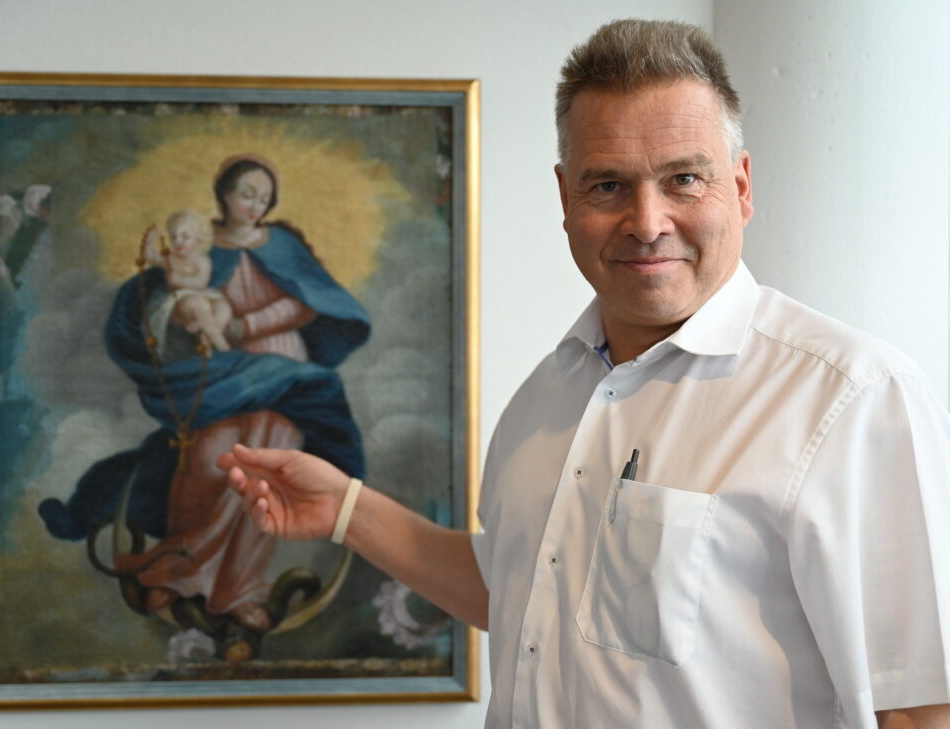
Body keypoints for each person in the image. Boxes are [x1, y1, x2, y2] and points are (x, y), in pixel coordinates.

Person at [219, 19, 950, 728]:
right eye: (608, 187)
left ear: (742, 186)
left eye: (684, 179)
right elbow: (519, 588)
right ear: (566, 199)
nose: (647, 220)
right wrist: (347, 508)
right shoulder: (545, 396)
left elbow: (920, 705)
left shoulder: (852, 397)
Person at [39, 153, 370, 636]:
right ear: (224, 196)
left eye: (264, 197)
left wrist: (243, 323)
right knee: (209, 460)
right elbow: (160, 295)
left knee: (264, 474)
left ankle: (239, 590)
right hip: (217, 373)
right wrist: (174, 310)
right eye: (246, 194)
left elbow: (308, 301)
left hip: (284, 373)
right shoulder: (197, 241)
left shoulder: (282, 245)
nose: (256, 205)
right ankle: (180, 572)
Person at [142, 209, 233, 353]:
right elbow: (149, 256)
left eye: (185, 237)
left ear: (198, 240)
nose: (178, 242)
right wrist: (149, 241)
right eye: (173, 237)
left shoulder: (202, 260)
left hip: (202, 294)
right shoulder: (170, 258)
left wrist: (180, 280)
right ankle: (220, 343)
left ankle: (206, 338)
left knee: (223, 307)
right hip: (179, 301)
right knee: (197, 303)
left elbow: (201, 283)